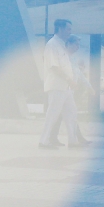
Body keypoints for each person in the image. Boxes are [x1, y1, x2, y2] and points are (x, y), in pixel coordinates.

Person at [38, 19, 79, 149]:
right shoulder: (52, 45)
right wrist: (69, 79)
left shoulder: (61, 45)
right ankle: (43, 141)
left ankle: (73, 141)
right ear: (60, 29)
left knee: (71, 112)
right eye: (68, 29)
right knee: (53, 114)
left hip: (65, 87)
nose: (70, 32)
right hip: (56, 86)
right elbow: (54, 67)